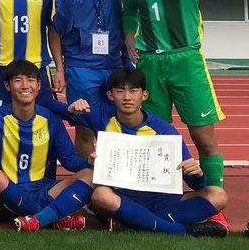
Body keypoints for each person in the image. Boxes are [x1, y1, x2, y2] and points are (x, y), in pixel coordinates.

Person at [121, 0, 247, 191]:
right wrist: (129, 36)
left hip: (186, 61)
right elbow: (129, 12)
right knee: (154, 137)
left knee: (203, 138)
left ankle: (213, 199)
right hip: (150, 64)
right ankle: (160, 194)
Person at [67, 69, 228, 237]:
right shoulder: (101, 118)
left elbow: (196, 184)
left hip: (163, 201)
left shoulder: (165, 131)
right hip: (122, 198)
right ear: (110, 95)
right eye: (120, 91)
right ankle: (181, 230)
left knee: (218, 195)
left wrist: (198, 174)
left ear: (144, 95)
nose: (127, 97)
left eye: (133, 91)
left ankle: (131, 221)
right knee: (101, 196)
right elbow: (51, 108)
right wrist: (70, 108)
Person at [0, 60, 93, 231]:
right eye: (17, 80)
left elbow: (69, 160)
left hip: (44, 191)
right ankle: (52, 218)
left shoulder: (50, 118)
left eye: (30, 80)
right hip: (8, 193)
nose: (25, 85)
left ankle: (36, 219)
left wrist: (91, 163)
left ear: (38, 85)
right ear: (7, 86)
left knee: (90, 174)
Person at [52, 0, 127, 158]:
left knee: (116, 127)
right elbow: (59, 28)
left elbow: (118, 19)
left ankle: (113, 183)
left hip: (113, 64)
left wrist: (125, 60)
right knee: (85, 128)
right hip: (81, 66)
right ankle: (85, 184)